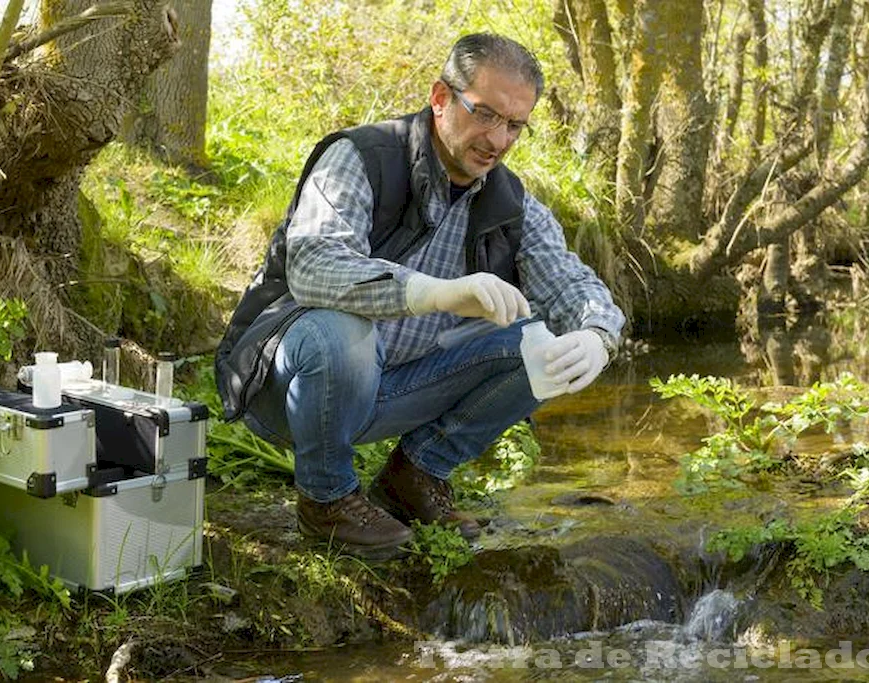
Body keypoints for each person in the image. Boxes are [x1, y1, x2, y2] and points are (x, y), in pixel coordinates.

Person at [215, 33, 625, 560]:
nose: (497, 139)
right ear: (440, 98)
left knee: (541, 346)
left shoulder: (511, 203)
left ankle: (416, 475)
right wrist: (434, 293)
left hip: (396, 388)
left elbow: (573, 284)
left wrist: (596, 335)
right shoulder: (361, 156)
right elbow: (314, 267)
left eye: (515, 125)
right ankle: (327, 500)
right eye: (484, 114)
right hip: (287, 384)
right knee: (343, 330)